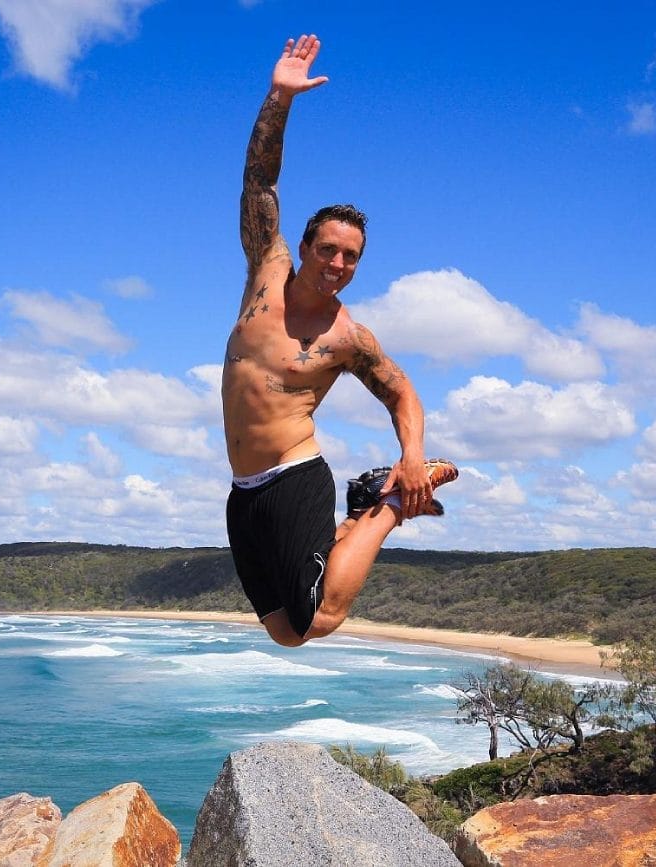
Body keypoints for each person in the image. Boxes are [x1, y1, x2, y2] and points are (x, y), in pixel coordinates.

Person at [222, 34, 456, 647]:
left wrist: (412, 460)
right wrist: (280, 98)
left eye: (350, 257)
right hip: (243, 490)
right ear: (302, 248)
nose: (338, 262)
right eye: (328, 249)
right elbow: (259, 183)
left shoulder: (347, 338)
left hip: (295, 474)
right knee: (285, 634)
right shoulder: (265, 272)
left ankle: (388, 508)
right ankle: (365, 504)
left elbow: (400, 391)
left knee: (321, 619)